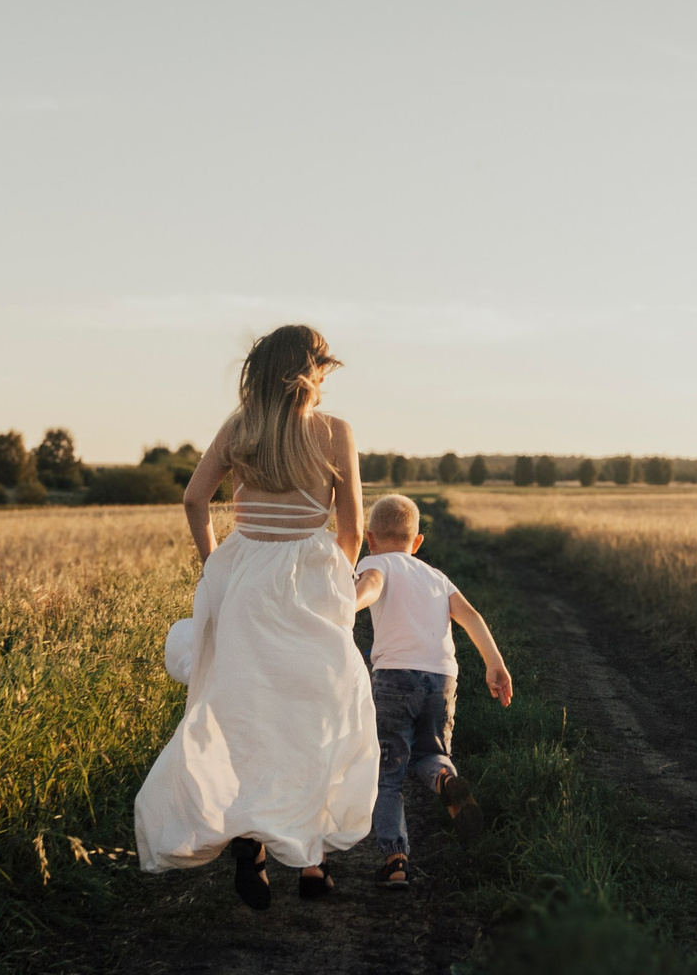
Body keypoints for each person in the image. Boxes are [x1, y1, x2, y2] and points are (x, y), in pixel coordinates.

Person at [134, 325, 379, 910]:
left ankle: (251, 842)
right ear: (312, 371)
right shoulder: (334, 431)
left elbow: (195, 499)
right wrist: (334, 577)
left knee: (245, 711)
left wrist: (217, 564)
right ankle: (311, 861)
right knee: (316, 714)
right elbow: (351, 529)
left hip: (245, 576)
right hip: (311, 579)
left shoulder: (240, 427)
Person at [351, 493, 513, 888]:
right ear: (417, 542)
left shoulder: (374, 563)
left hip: (393, 679)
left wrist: (344, 603)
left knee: (388, 774)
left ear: (369, 538)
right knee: (432, 753)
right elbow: (470, 617)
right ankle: (445, 780)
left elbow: (370, 587)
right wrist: (495, 663)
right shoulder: (437, 576)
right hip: (442, 679)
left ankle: (395, 859)